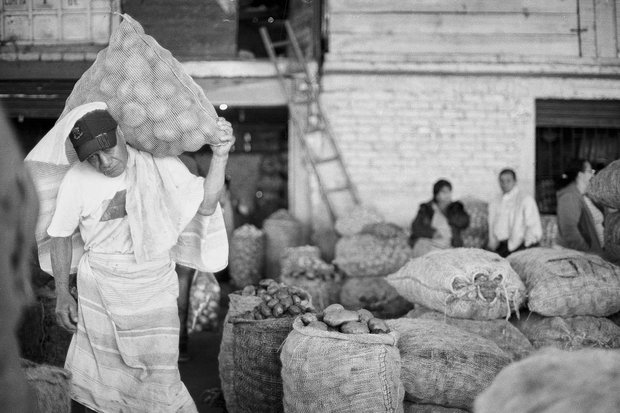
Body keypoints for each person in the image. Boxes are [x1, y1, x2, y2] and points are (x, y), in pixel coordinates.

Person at [30, 102, 233, 413]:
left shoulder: (159, 166)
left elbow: (205, 204)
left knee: (161, 382)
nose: (103, 162)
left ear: (121, 135)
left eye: (107, 149)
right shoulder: (78, 179)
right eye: (92, 157)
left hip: (154, 291)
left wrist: (220, 156)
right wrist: (61, 293)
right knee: (101, 387)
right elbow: (59, 234)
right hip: (101, 292)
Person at [488, 168, 543, 257]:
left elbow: (533, 227)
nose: (504, 184)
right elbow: (492, 225)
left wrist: (525, 246)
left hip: (520, 246)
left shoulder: (525, 199)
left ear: (515, 181)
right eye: (502, 181)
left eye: (508, 181)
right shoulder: (496, 201)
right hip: (502, 245)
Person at [409, 179, 470, 256]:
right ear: (436, 194)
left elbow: (464, 222)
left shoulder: (455, 207)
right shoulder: (427, 208)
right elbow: (416, 227)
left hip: (450, 245)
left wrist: (451, 211)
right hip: (431, 243)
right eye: (444, 192)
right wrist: (433, 233)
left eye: (449, 192)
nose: (447, 195)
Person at [556, 159, 602, 253]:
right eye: (590, 171)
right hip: (581, 256)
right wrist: (588, 252)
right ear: (580, 174)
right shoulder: (569, 197)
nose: (593, 175)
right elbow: (570, 232)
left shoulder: (585, 195)